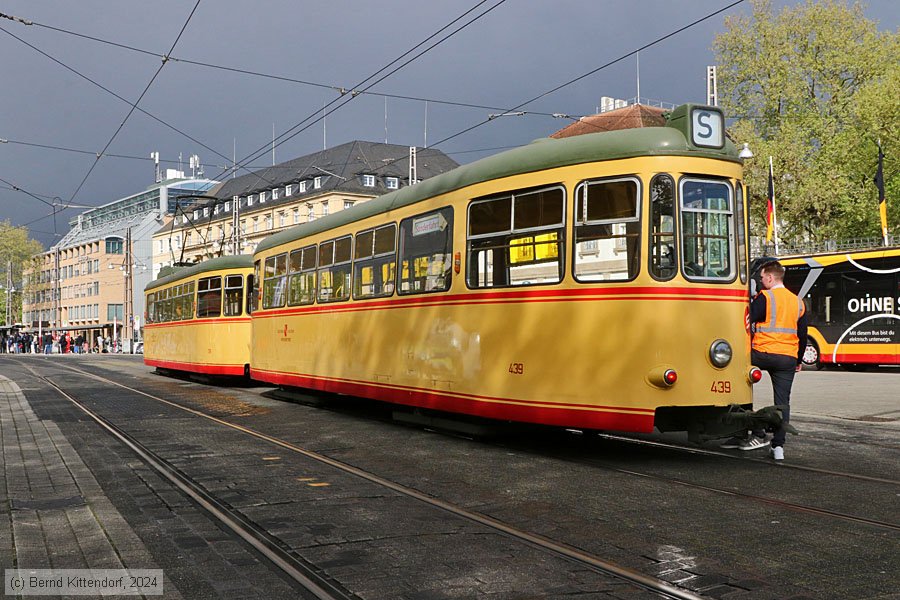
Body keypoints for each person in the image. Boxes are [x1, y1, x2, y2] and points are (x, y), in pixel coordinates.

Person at [722, 261, 807, 460]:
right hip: (787, 358)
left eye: (761, 278)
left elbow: (746, 319)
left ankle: (752, 433)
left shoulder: (765, 297)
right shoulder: (798, 302)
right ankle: (778, 448)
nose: (760, 281)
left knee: (738, 385)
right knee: (782, 403)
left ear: (770, 278)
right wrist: (798, 359)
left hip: (761, 354)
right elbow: (803, 334)